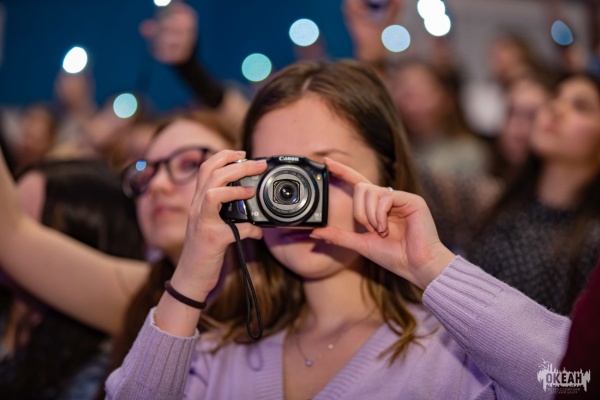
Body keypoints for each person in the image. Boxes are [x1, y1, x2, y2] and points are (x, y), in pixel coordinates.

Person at [106, 60, 569, 400]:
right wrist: (190, 278)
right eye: (275, 175)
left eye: (321, 170)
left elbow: (577, 380)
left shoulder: (458, 357)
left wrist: (432, 266)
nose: (293, 197)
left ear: (387, 173)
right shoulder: (212, 358)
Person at [0, 159, 145, 400]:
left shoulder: (93, 374)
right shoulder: (10, 312)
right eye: (14, 202)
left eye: (37, 232)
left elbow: (12, 234)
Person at [467, 72, 600, 315]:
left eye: (580, 106)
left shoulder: (593, 241)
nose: (556, 109)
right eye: (556, 97)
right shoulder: (504, 203)